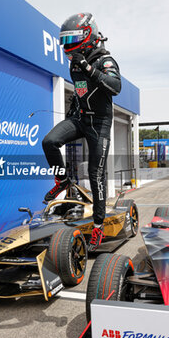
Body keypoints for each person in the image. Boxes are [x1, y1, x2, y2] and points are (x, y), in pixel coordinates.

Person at [42, 13, 121, 251]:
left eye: (71, 40)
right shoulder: (74, 62)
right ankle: (63, 180)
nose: (67, 46)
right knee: (50, 141)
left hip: (100, 125)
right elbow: (81, 92)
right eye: (64, 41)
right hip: (80, 119)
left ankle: (98, 227)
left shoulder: (105, 60)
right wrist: (71, 114)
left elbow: (115, 87)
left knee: (96, 175)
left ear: (88, 36)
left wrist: (88, 67)